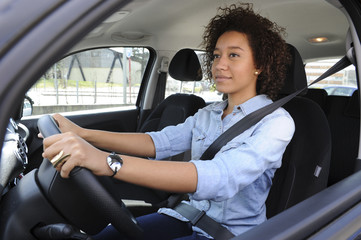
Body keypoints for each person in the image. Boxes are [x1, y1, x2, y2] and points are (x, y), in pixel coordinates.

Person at [42, 3, 295, 239]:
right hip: (183, 216)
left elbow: (220, 177)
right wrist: (83, 134)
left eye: (234, 56)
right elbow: (158, 142)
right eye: (217, 56)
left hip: (226, 233)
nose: (219, 65)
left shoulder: (276, 123)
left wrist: (108, 161)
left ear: (259, 65)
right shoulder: (209, 113)